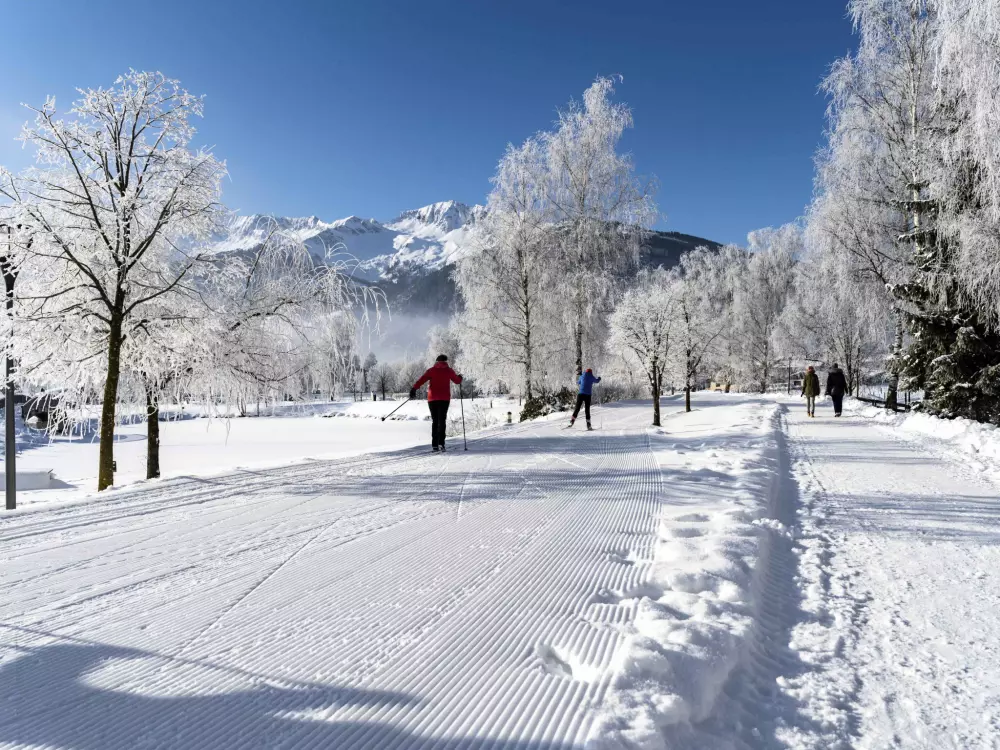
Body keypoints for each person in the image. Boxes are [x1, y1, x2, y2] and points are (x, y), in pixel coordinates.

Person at [410, 354, 463, 451]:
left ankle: (434, 444)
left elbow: (422, 380)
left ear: (437, 361)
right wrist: (460, 377)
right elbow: (457, 381)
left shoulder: (431, 370)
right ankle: (441, 443)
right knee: (442, 421)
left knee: (435, 421)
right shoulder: (449, 371)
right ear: (446, 361)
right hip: (444, 399)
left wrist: (414, 389)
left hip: (432, 399)